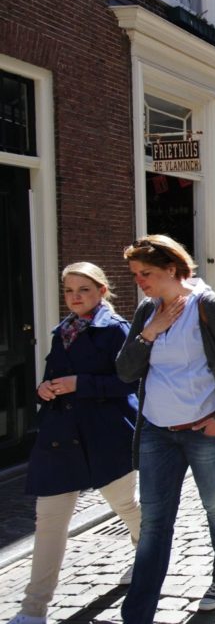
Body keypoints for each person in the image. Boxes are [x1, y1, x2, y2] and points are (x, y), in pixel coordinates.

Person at [118, 235, 215, 621]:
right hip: (156, 432)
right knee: (154, 522)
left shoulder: (208, 307)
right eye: (135, 274)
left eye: (146, 273)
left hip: (203, 431)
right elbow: (125, 370)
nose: (139, 281)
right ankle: (137, 614)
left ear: (172, 269)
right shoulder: (146, 312)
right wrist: (150, 332)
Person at [8, 264, 142, 624]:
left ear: (102, 291)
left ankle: (146, 557)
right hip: (59, 439)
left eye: (83, 289)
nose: (75, 297)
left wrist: (79, 384)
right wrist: (44, 389)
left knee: (125, 505)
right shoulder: (61, 332)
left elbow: (131, 383)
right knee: (49, 522)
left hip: (105, 437)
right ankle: (33, 610)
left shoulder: (117, 330)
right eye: (69, 290)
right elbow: (52, 377)